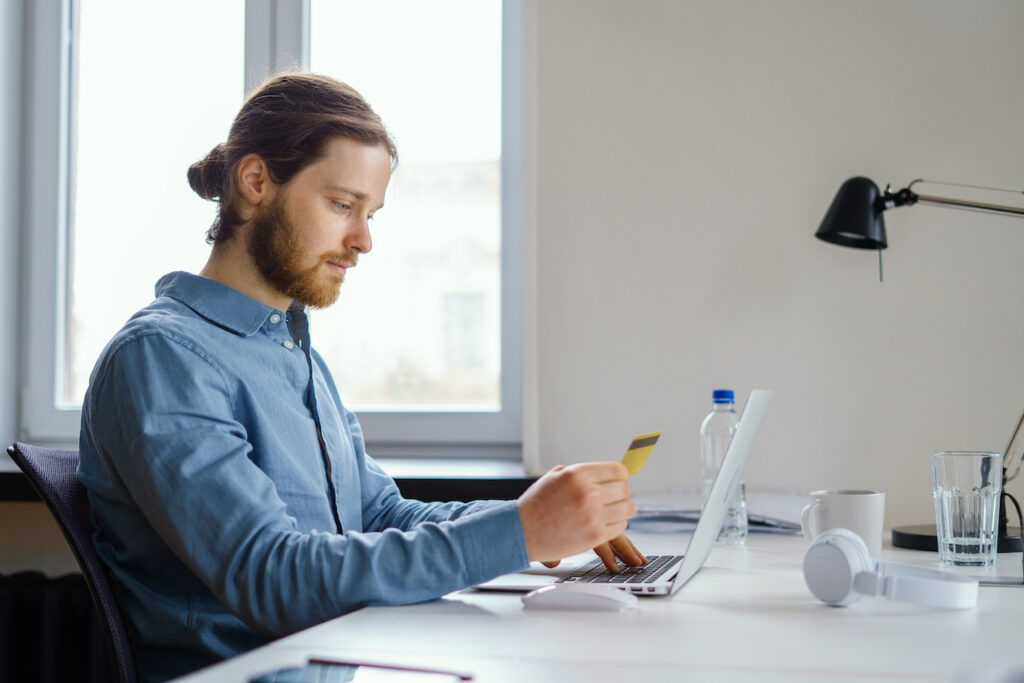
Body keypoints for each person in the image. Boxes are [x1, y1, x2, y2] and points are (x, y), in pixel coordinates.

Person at [78, 73, 645, 683]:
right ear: (255, 183)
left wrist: (536, 517)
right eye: (343, 205)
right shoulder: (162, 359)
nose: (364, 240)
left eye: (370, 213)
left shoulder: (293, 351)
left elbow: (378, 516)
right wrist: (519, 532)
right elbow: (274, 577)